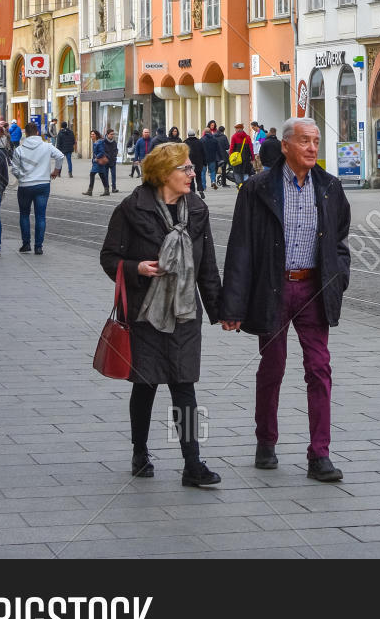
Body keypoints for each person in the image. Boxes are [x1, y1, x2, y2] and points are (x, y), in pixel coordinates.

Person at [221, 118, 352, 481]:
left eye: (316, 141)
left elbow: (340, 241)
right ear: (286, 146)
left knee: (319, 368)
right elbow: (241, 247)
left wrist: (338, 278)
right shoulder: (257, 188)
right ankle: (266, 441)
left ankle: (319, 455)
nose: (312, 148)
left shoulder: (329, 187)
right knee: (272, 367)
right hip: (274, 289)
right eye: (305, 141)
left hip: (313, 289)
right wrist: (231, 305)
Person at [100, 141, 228, 487]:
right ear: (163, 174)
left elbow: (208, 268)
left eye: (190, 168)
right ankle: (140, 451)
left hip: (185, 312)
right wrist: (135, 267)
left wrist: (221, 311)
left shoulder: (197, 210)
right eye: (184, 168)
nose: (191, 173)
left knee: (184, 387)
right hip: (145, 313)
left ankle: (192, 463)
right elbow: (109, 258)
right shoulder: (131, 209)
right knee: (145, 385)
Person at [11, 120, 63, 254]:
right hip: (43, 185)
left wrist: (22, 177)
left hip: (25, 186)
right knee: (40, 216)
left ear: (26, 134)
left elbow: (15, 169)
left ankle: (26, 244)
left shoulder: (19, 150)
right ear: (37, 132)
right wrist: (56, 171)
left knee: (24, 215)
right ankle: (38, 246)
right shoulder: (47, 146)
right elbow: (60, 156)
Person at [86, 129, 112, 196]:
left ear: (96, 135)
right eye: (91, 134)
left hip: (98, 162)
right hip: (97, 162)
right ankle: (107, 191)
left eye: (93, 134)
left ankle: (90, 191)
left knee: (92, 174)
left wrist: (96, 158)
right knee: (102, 176)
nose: (92, 135)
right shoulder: (96, 142)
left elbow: (102, 152)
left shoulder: (99, 142)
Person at [185, 131, 208, 195]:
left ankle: (193, 192)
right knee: (198, 177)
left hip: (188, 163)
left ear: (188, 135)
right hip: (199, 163)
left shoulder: (185, 142)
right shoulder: (200, 142)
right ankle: (200, 189)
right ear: (194, 134)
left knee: (190, 178)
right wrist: (204, 162)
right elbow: (204, 153)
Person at [203, 121, 223, 187]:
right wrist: (220, 157)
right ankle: (213, 181)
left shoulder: (201, 140)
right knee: (213, 171)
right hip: (212, 157)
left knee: (203, 172)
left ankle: (203, 185)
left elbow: (200, 149)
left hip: (204, 158)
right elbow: (218, 149)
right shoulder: (214, 140)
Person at [104, 129, 121, 194]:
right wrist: (107, 157)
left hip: (113, 161)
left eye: (113, 134)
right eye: (111, 134)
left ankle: (114, 188)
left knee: (113, 175)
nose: (112, 135)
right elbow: (103, 151)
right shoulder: (104, 142)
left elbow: (116, 150)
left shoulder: (114, 142)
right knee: (106, 175)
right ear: (107, 134)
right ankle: (107, 188)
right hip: (106, 161)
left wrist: (115, 155)